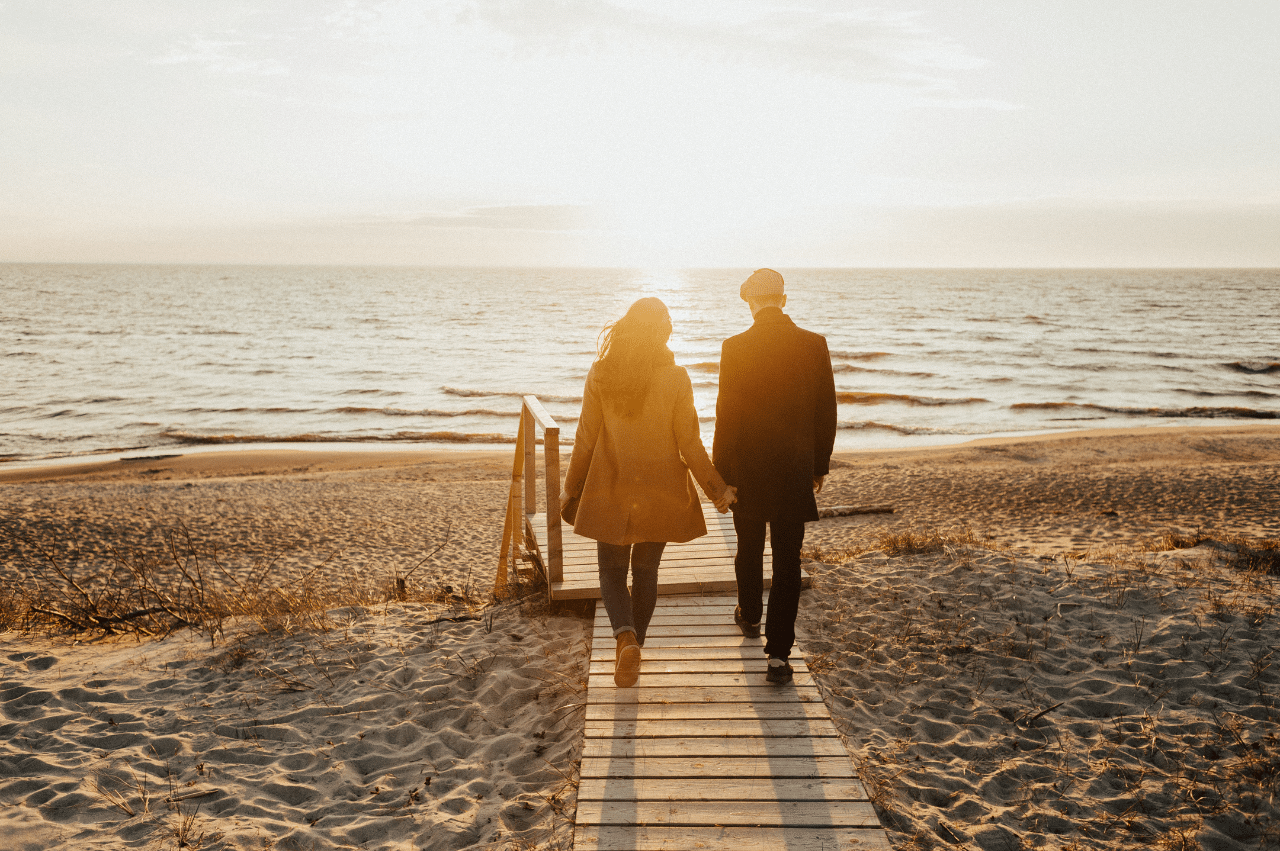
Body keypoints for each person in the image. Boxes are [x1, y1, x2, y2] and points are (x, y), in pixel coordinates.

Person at [562, 297, 736, 688]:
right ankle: (635, 643)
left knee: (610, 569)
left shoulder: (601, 374)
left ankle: (625, 640)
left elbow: (586, 439)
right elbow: (690, 445)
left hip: (610, 486)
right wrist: (717, 490)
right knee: (646, 571)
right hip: (661, 489)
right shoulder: (677, 378)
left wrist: (569, 488)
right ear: (663, 334)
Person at [713, 269, 837, 684]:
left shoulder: (734, 347)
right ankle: (779, 656)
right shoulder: (813, 345)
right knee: (787, 562)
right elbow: (826, 412)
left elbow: (725, 416)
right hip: (793, 470)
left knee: (748, 549)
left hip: (747, 471)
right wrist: (818, 466)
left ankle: (749, 614)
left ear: (750, 302)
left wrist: (721, 476)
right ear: (783, 301)